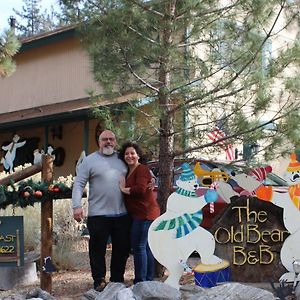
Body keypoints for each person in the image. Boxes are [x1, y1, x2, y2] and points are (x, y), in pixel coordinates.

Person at [72, 130, 131, 292]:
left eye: (111, 139)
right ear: (99, 142)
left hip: (122, 214)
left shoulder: (122, 159)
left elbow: (138, 171)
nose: (108, 142)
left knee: (122, 249)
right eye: (104, 139)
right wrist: (76, 205)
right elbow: (78, 184)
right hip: (98, 214)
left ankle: (117, 280)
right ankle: (99, 280)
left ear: (115, 141)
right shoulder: (89, 161)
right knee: (97, 250)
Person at [119, 141, 160, 284]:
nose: (129, 156)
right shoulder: (130, 170)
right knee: (146, 246)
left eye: (132, 153)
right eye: (126, 153)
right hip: (143, 214)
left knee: (139, 247)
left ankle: (141, 281)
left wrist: (124, 190)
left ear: (138, 155)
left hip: (145, 214)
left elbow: (141, 189)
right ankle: (148, 279)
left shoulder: (141, 169)